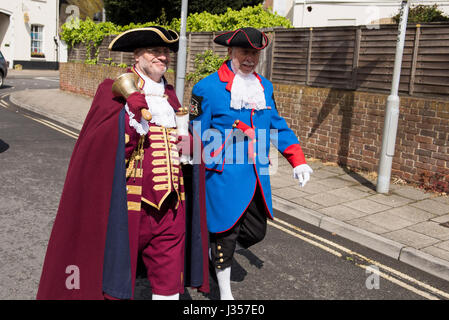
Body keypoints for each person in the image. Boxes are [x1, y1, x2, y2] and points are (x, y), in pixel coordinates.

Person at [36, 26, 209, 300]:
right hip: (129, 207)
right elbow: (99, 146)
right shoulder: (112, 90)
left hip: (172, 208)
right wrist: (129, 117)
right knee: (113, 280)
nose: (163, 57)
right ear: (138, 55)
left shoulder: (171, 96)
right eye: (155, 51)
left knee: (168, 284)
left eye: (166, 52)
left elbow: (185, 146)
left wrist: (192, 148)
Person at [189, 27, 314, 300]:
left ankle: (213, 250)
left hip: (257, 175)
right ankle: (224, 293)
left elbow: (277, 127)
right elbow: (196, 134)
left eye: (255, 53)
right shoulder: (207, 87)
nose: (250, 58)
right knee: (226, 234)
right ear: (231, 51)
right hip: (221, 177)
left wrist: (297, 161)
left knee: (256, 232)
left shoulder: (264, 87)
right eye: (245, 51)